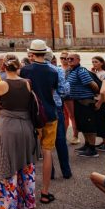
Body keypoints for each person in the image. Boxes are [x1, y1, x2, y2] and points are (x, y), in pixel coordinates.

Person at [0, 55, 38, 209]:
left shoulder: (0, 84)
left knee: (7, 162)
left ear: (3, 68)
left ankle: (10, 206)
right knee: (26, 164)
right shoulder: (27, 83)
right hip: (25, 125)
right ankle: (28, 204)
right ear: (19, 68)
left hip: (7, 126)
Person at [19, 39, 60, 204]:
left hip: (31, 115)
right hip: (49, 114)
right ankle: (44, 191)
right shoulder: (53, 72)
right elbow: (51, 92)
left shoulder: (25, 71)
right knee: (48, 151)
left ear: (31, 53)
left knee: (28, 153)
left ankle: (26, 190)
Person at [65, 53, 101, 158]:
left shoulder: (81, 71)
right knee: (83, 125)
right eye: (67, 59)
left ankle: (93, 149)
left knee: (89, 126)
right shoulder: (71, 71)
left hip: (85, 102)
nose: (69, 60)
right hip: (78, 102)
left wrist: (94, 94)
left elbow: (94, 85)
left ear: (78, 60)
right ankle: (87, 145)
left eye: (71, 59)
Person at [46, 51, 72, 180]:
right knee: (60, 139)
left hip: (39, 107)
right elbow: (64, 91)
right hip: (55, 106)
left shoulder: (28, 70)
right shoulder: (57, 70)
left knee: (44, 141)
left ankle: (49, 172)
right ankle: (66, 171)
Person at [90, 55, 105, 152]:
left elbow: (104, 91)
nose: (94, 64)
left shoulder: (104, 74)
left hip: (100, 100)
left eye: (96, 62)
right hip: (96, 98)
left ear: (102, 63)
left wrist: (100, 103)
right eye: (93, 62)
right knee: (98, 122)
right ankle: (104, 141)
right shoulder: (97, 73)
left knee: (102, 122)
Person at [60, 52, 80, 145]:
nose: (64, 60)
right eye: (62, 58)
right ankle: (63, 136)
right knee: (64, 116)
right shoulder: (58, 68)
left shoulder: (71, 69)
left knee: (72, 116)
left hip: (70, 95)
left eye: (66, 58)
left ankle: (75, 136)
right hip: (61, 96)